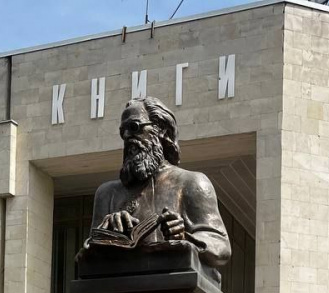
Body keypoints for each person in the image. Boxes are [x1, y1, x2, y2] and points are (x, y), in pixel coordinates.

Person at [80, 96, 231, 272]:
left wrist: (184, 237)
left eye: (134, 127)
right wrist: (108, 233)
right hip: (119, 286)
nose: (128, 137)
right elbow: (87, 253)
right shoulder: (106, 193)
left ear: (162, 131)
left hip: (172, 285)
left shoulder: (192, 182)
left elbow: (221, 246)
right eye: (123, 132)